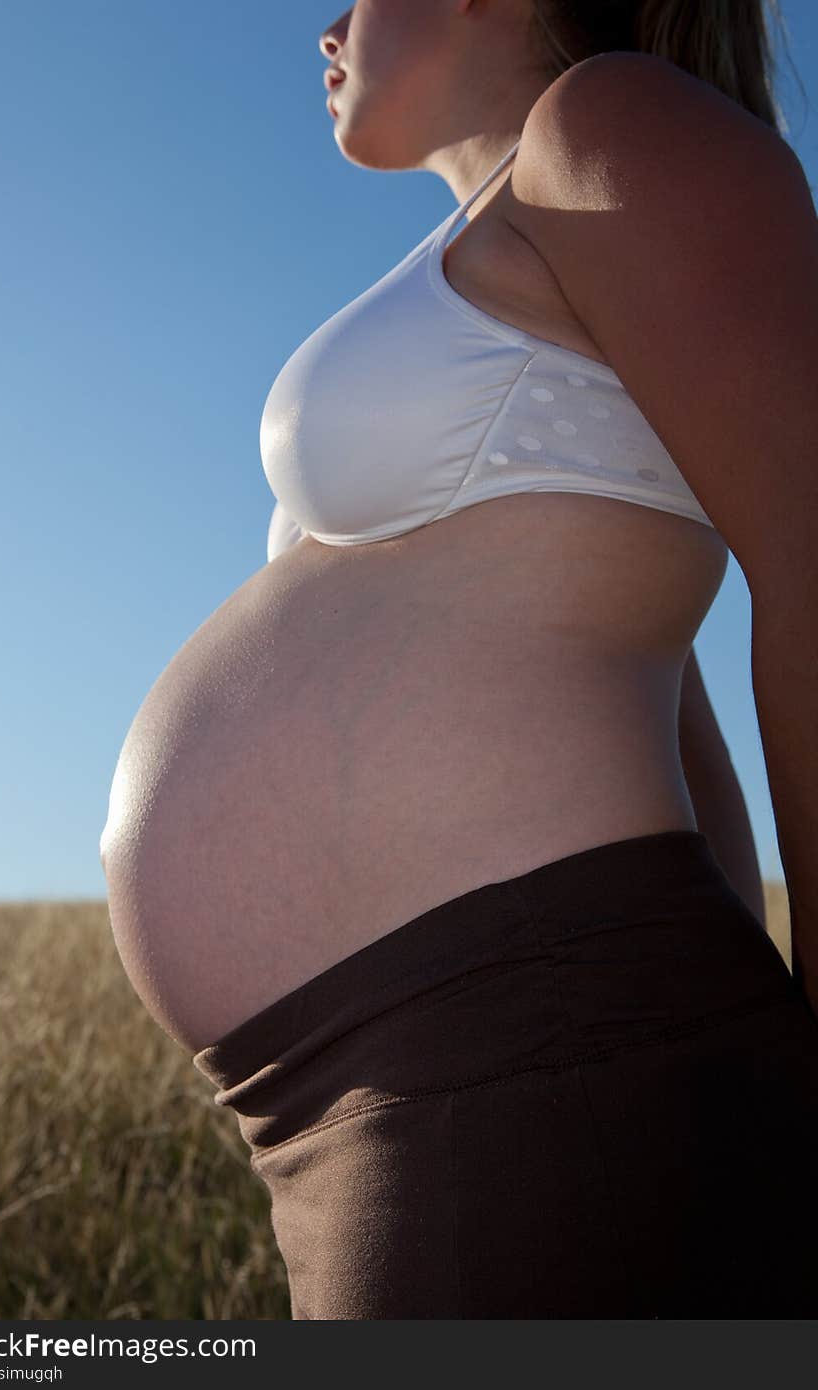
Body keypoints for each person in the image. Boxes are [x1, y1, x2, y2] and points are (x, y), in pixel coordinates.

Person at [100, 0, 818, 1317]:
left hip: (533, 1056)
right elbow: (668, 714)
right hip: (382, 1095)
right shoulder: (509, 232)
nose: (323, 24)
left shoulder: (615, 126)